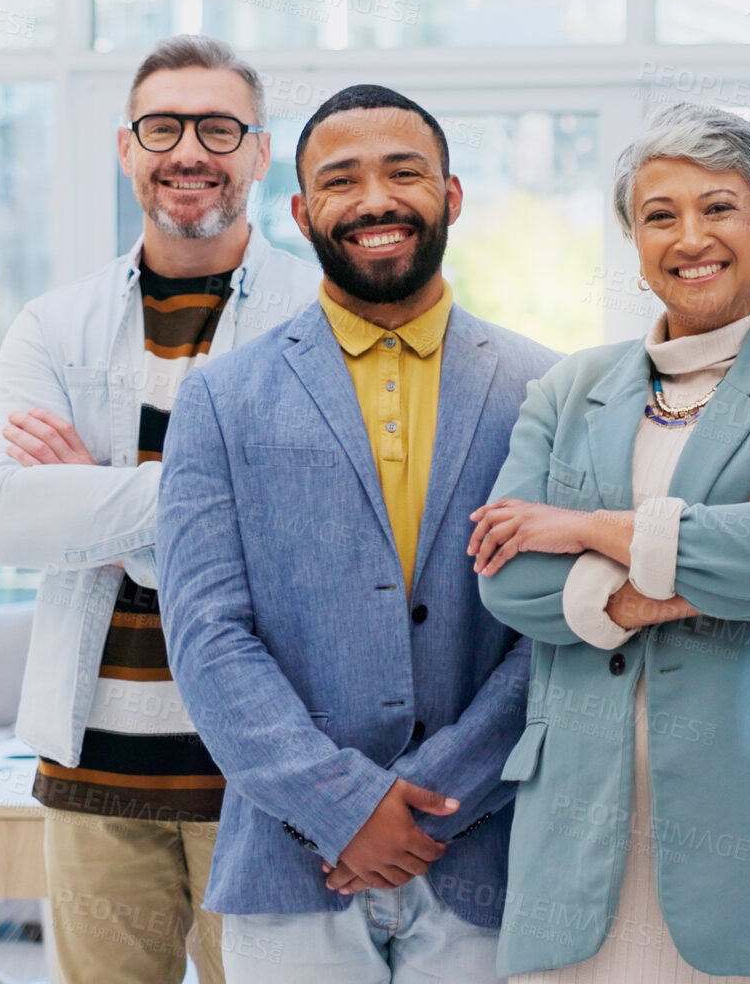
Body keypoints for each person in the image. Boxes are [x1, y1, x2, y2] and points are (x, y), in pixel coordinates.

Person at [468, 102, 750, 984]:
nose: (690, 235)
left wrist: (586, 531)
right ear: (635, 241)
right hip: (581, 841)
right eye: (661, 215)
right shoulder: (567, 388)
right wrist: (711, 566)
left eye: (719, 207)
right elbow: (507, 581)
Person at [156, 84, 559, 983]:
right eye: (342, 181)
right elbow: (207, 636)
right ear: (302, 213)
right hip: (289, 863)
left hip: (490, 854)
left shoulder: (552, 390)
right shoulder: (221, 400)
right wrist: (342, 807)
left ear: (450, 197)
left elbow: (557, 632)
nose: (375, 200)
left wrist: (427, 809)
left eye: (404, 173)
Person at [0, 34, 315, 984]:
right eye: (164, 126)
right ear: (128, 149)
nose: (189, 151)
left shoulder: (319, 317)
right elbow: (4, 519)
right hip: (92, 774)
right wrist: (208, 505)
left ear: (258, 150)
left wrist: (89, 493)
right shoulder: (55, 322)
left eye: (218, 127)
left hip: (263, 777)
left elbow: (309, 535)